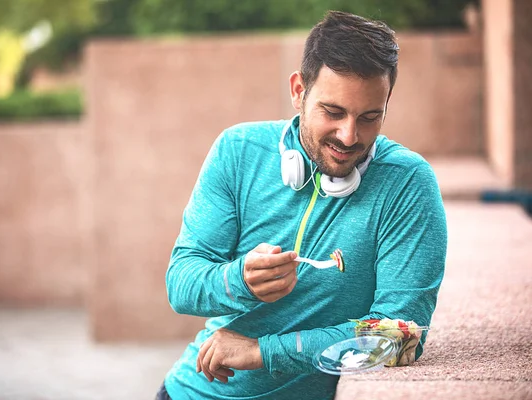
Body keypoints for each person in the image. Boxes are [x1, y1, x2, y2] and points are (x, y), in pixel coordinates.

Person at [159, 10, 447, 400]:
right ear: (298, 90)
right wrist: (240, 280)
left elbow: (398, 336)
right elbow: (181, 283)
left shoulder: (407, 184)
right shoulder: (238, 150)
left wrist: (265, 352)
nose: (349, 136)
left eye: (369, 117)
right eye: (333, 112)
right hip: (189, 392)